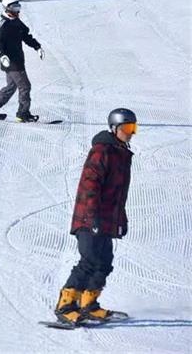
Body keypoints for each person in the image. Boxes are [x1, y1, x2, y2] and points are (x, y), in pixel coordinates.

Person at [53, 109, 136, 326]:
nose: (131, 133)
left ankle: (89, 304)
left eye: (134, 128)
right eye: (127, 128)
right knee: (88, 261)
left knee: (104, 262)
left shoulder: (121, 153)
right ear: (114, 128)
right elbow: (89, 185)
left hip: (106, 219)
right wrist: (92, 218)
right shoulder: (102, 151)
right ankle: (65, 306)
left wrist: (120, 219)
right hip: (90, 218)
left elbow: (117, 194)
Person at [0, 0, 44, 123]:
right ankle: (23, 113)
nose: (17, 10)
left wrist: (37, 47)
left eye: (18, 6)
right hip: (11, 62)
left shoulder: (16, 21)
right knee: (25, 86)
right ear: (7, 8)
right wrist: (2, 56)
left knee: (11, 87)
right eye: (14, 7)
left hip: (17, 60)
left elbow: (26, 36)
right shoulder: (4, 24)